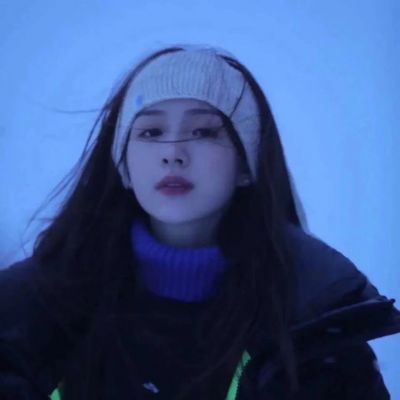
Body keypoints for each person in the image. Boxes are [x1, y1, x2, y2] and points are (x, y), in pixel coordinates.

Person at [1, 43, 399, 400]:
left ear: (246, 165)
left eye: (204, 131)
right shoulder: (30, 317)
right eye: (151, 131)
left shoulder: (315, 327)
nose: (173, 153)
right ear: (124, 166)